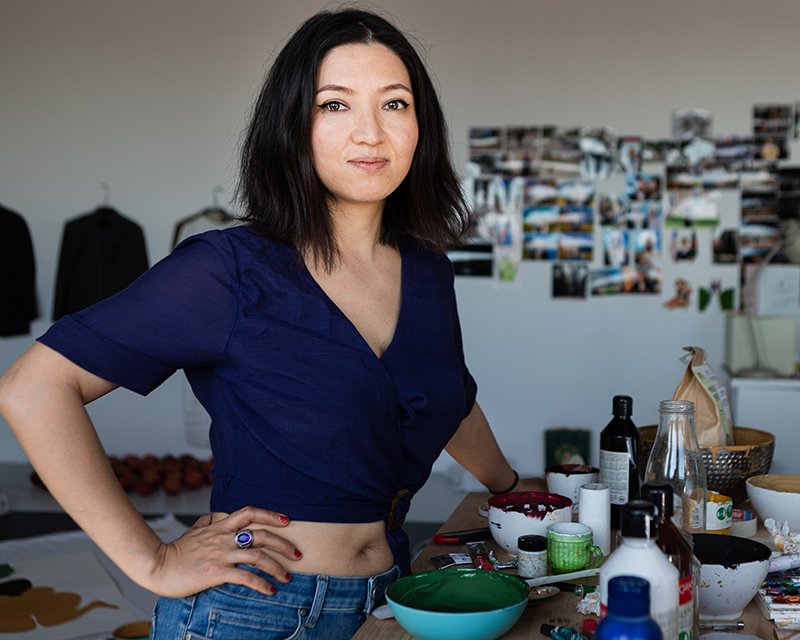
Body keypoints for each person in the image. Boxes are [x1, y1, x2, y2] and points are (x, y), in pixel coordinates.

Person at [0, 8, 544, 640]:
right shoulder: (227, 271)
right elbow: (33, 389)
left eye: (394, 104)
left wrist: (508, 487)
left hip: (393, 596)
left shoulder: (427, 270)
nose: (370, 132)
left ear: (420, 125)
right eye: (335, 105)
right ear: (293, 125)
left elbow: (448, 397)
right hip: (254, 610)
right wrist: (151, 558)